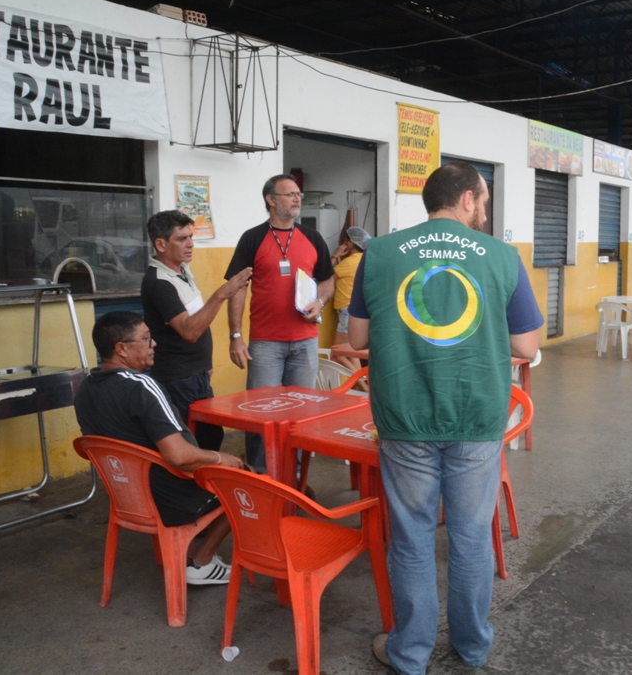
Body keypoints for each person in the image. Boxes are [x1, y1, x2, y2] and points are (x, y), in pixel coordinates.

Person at [348, 163, 543, 675]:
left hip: (404, 417)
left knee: (411, 537)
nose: (485, 209)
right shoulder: (502, 256)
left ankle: (409, 653)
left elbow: (357, 340)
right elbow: (526, 344)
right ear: (465, 199)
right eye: (483, 199)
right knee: (472, 535)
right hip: (476, 416)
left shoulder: (380, 253)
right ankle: (473, 647)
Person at [74, 311, 244, 584]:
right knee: (250, 478)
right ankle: (201, 562)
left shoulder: (85, 389)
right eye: (146, 339)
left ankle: (185, 551)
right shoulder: (142, 386)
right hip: (171, 498)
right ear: (121, 349)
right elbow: (178, 456)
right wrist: (220, 457)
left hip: (128, 497)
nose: (154, 344)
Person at [225, 175, 335, 471]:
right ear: (271, 200)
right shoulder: (252, 238)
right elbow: (237, 287)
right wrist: (235, 335)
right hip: (266, 343)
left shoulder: (312, 238)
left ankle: (294, 474)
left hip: (305, 341)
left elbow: (327, 280)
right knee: (261, 413)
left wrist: (320, 302)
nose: (297, 199)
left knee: (301, 413)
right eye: (290, 194)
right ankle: (261, 474)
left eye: (299, 194)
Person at [141, 210, 252, 451]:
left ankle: (202, 484)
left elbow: (196, 318)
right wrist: (222, 294)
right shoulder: (159, 282)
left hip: (196, 373)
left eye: (191, 237)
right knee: (191, 442)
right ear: (160, 244)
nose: (191, 244)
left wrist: (204, 364)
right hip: (177, 378)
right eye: (182, 239)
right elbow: (189, 331)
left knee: (210, 435)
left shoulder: (182, 270)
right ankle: (190, 487)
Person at [330, 226, 370, 379]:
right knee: (351, 354)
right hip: (357, 311)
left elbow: (327, 277)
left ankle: (361, 386)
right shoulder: (364, 260)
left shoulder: (348, 263)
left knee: (338, 353)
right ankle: (363, 387)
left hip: (346, 311)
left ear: (351, 242)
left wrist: (334, 257)